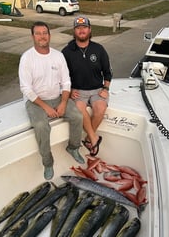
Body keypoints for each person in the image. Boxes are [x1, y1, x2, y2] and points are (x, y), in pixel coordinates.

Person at [19, 21, 84, 180]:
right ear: (33, 36)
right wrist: (45, 107)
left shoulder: (58, 56)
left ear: (49, 35)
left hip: (57, 98)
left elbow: (66, 82)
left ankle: (73, 148)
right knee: (41, 125)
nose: (42, 36)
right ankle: (48, 163)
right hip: (36, 102)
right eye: (38, 33)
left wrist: (63, 102)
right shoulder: (27, 58)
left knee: (77, 116)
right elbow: (26, 88)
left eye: (45, 33)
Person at [62, 15, 112, 156]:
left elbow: (108, 72)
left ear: (90, 30)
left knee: (100, 108)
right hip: (78, 91)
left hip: (97, 90)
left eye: (84, 27)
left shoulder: (99, 49)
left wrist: (106, 88)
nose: (81, 30)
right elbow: (62, 76)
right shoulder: (66, 52)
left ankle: (89, 139)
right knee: (79, 109)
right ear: (74, 31)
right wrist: (70, 90)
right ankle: (94, 139)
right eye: (78, 28)